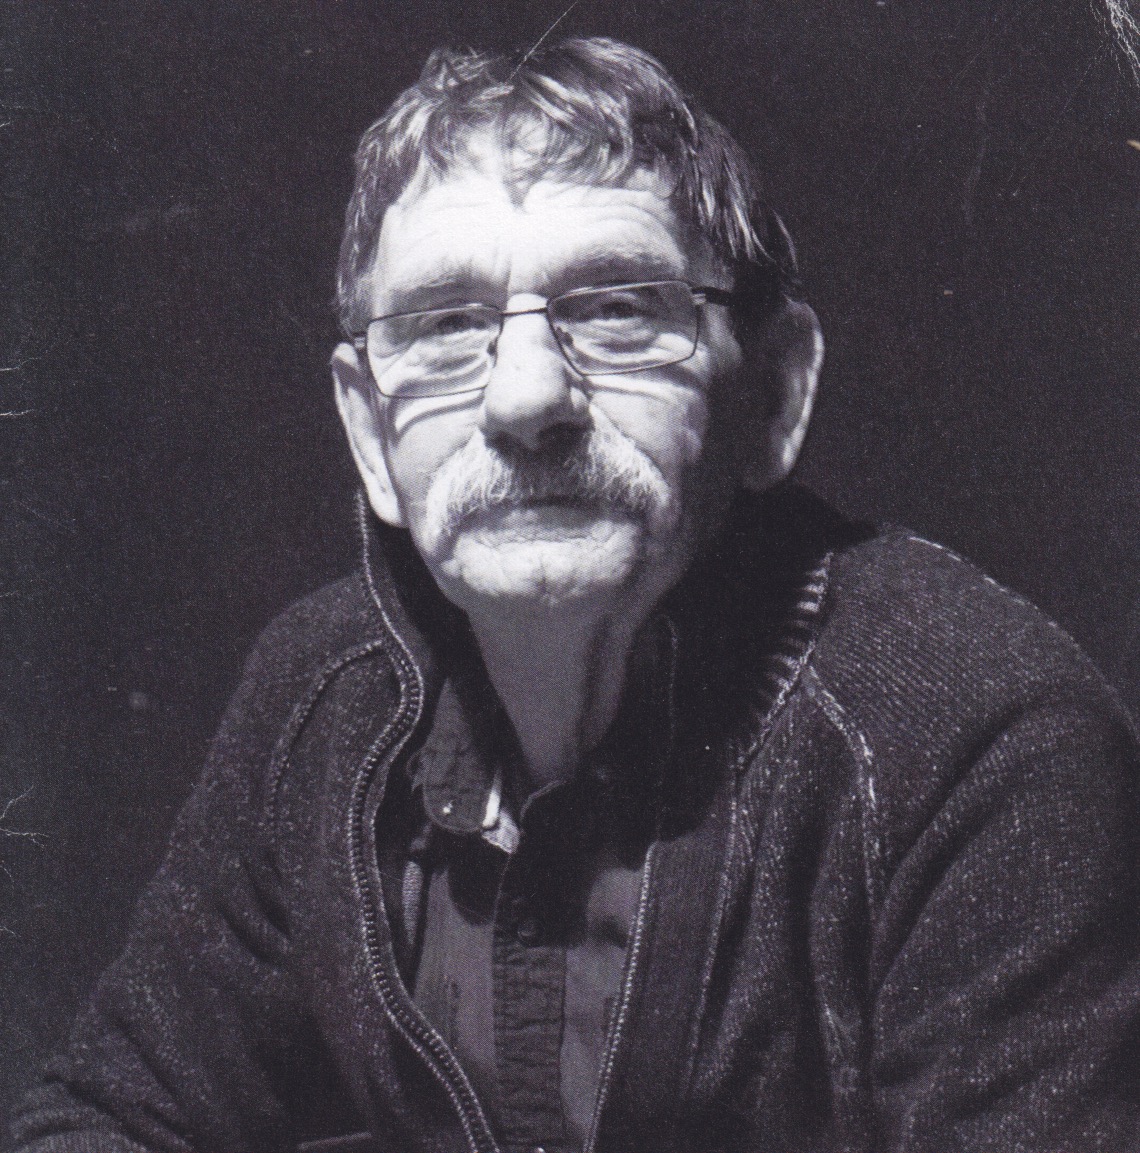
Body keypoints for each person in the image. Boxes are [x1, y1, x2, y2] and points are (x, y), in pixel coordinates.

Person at [9, 36, 1140, 1153]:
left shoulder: (984, 741)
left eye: (616, 307)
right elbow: (111, 1117)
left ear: (775, 394)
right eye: (445, 324)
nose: (526, 396)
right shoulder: (319, 698)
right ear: (367, 433)